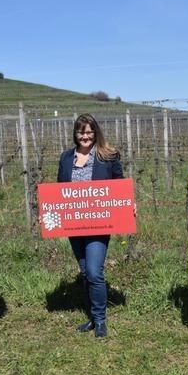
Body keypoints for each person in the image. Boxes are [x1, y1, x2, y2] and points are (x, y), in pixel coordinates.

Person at [57, 113, 123, 338]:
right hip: (74, 224)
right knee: (85, 271)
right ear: (75, 134)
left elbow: (119, 186)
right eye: (80, 132)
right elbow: (59, 192)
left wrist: (128, 205)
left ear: (95, 133)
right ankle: (93, 319)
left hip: (99, 222)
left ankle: (101, 320)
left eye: (88, 131)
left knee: (95, 272)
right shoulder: (66, 158)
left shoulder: (108, 156)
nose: (84, 136)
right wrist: (50, 212)